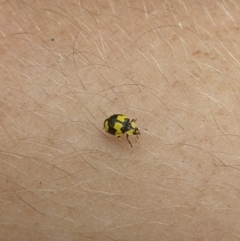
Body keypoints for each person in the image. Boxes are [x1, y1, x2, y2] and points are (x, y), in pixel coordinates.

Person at [1, 1, 239, 240]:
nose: (133, 130)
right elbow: (112, 126)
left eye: (132, 130)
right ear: (130, 128)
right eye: (133, 130)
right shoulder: (122, 131)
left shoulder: (125, 125)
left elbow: (115, 123)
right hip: (108, 123)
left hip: (109, 122)